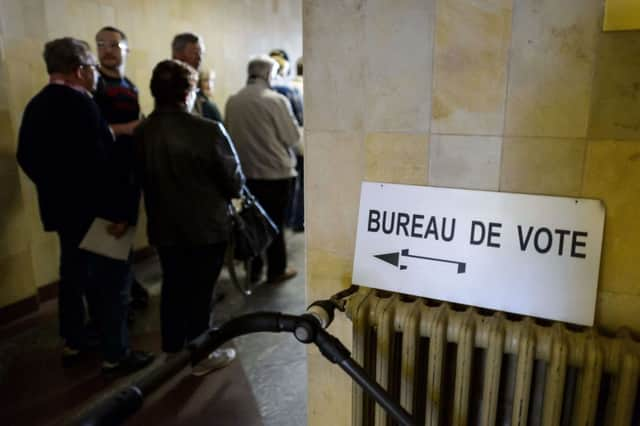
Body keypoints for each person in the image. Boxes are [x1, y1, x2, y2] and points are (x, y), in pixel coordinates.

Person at [16, 37, 154, 376]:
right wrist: (120, 213)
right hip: (97, 215)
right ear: (79, 70)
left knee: (72, 276)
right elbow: (101, 166)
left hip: (63, 212)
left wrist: (56, 189)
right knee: (111, 285)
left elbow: (27, 157)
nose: (94, 74)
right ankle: (115, 354)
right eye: (92, 67)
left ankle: (75, 339)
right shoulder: (81, 105)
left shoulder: (37, 104)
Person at [134, 59, 244, 376]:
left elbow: (138, 177)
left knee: (173, 285)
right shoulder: (208, 130)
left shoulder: (142, 132)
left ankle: (172, 350)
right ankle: (201, 354)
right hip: (207, 226)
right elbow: (234, 182)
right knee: (200, 290)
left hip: (164, 225)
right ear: (188, 93)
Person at [225, 55, 300, 285]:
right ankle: (276, 270)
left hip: (247, 174)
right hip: (277, 174)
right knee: (274, 223)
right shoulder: (275, 100)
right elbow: (292, 137)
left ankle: (255, 270)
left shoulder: (233, 101)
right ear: (269, 74)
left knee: (253, 222)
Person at [93, 26, 150, 312]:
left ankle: (123, 299)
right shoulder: (95, 85)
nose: (107, 50)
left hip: (129, 177)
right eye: (101, 44)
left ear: (126, 50)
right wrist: (127, 128)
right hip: (106, 180)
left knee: (122, 247)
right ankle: (112, 317)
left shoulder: (129, 85)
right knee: (107, 251)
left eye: (114, 45)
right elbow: (91, 132)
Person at [171, 32, 221, 121]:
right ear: (177, 55)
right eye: (194, 53)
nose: (199, 58)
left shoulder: (204, 102)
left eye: (201, 53)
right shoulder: (166, 85)